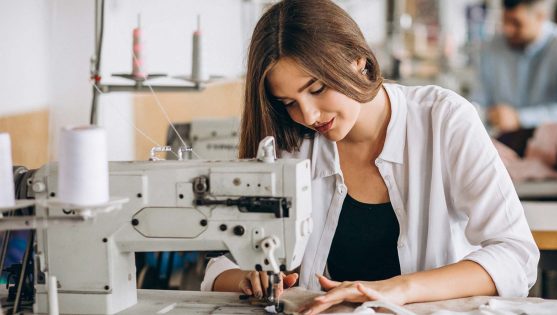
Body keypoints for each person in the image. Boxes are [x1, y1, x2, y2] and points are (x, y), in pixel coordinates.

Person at [201, 0, 539, 313]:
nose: (307, 114)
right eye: (288, 102)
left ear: (358, 60)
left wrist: (399, 289)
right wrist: (248, 277)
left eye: (316, 89)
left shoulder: (444, 119)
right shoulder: (292, 143)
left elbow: (516, 256)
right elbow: (221, 265)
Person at [472, 0, 557, 136]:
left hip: (553, 144)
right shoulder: (491, 48)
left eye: (516, 23)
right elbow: (479, 100)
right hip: (500, 141)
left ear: (541, 17)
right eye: (505, 21)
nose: (508, 30)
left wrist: (520, 118)